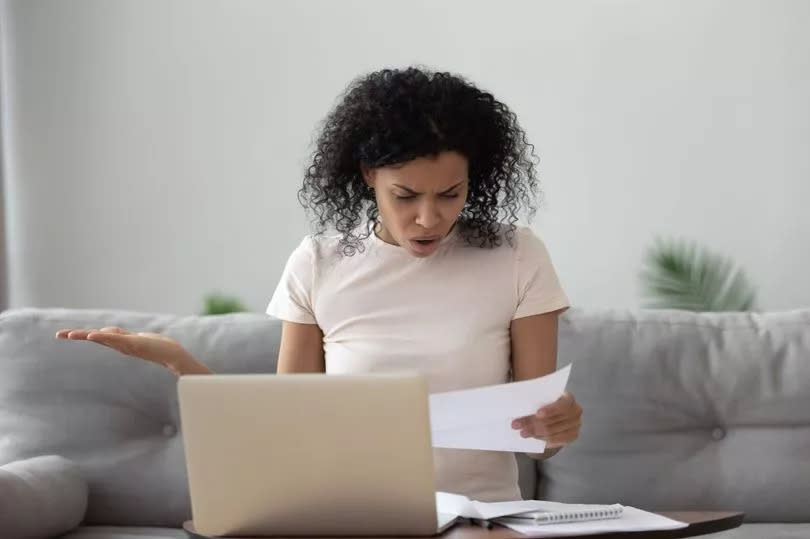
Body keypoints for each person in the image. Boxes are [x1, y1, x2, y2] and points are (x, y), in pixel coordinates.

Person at [56, 66, 582, 502]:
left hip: (480, 519)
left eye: (450, 194)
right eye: (405, 195)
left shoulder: (517, 255)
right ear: (367, 176)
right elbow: (290, 428)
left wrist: (555, 426)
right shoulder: (318, 263)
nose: (429, 218)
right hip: (347, 516)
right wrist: (179, 361)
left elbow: (540, 441)